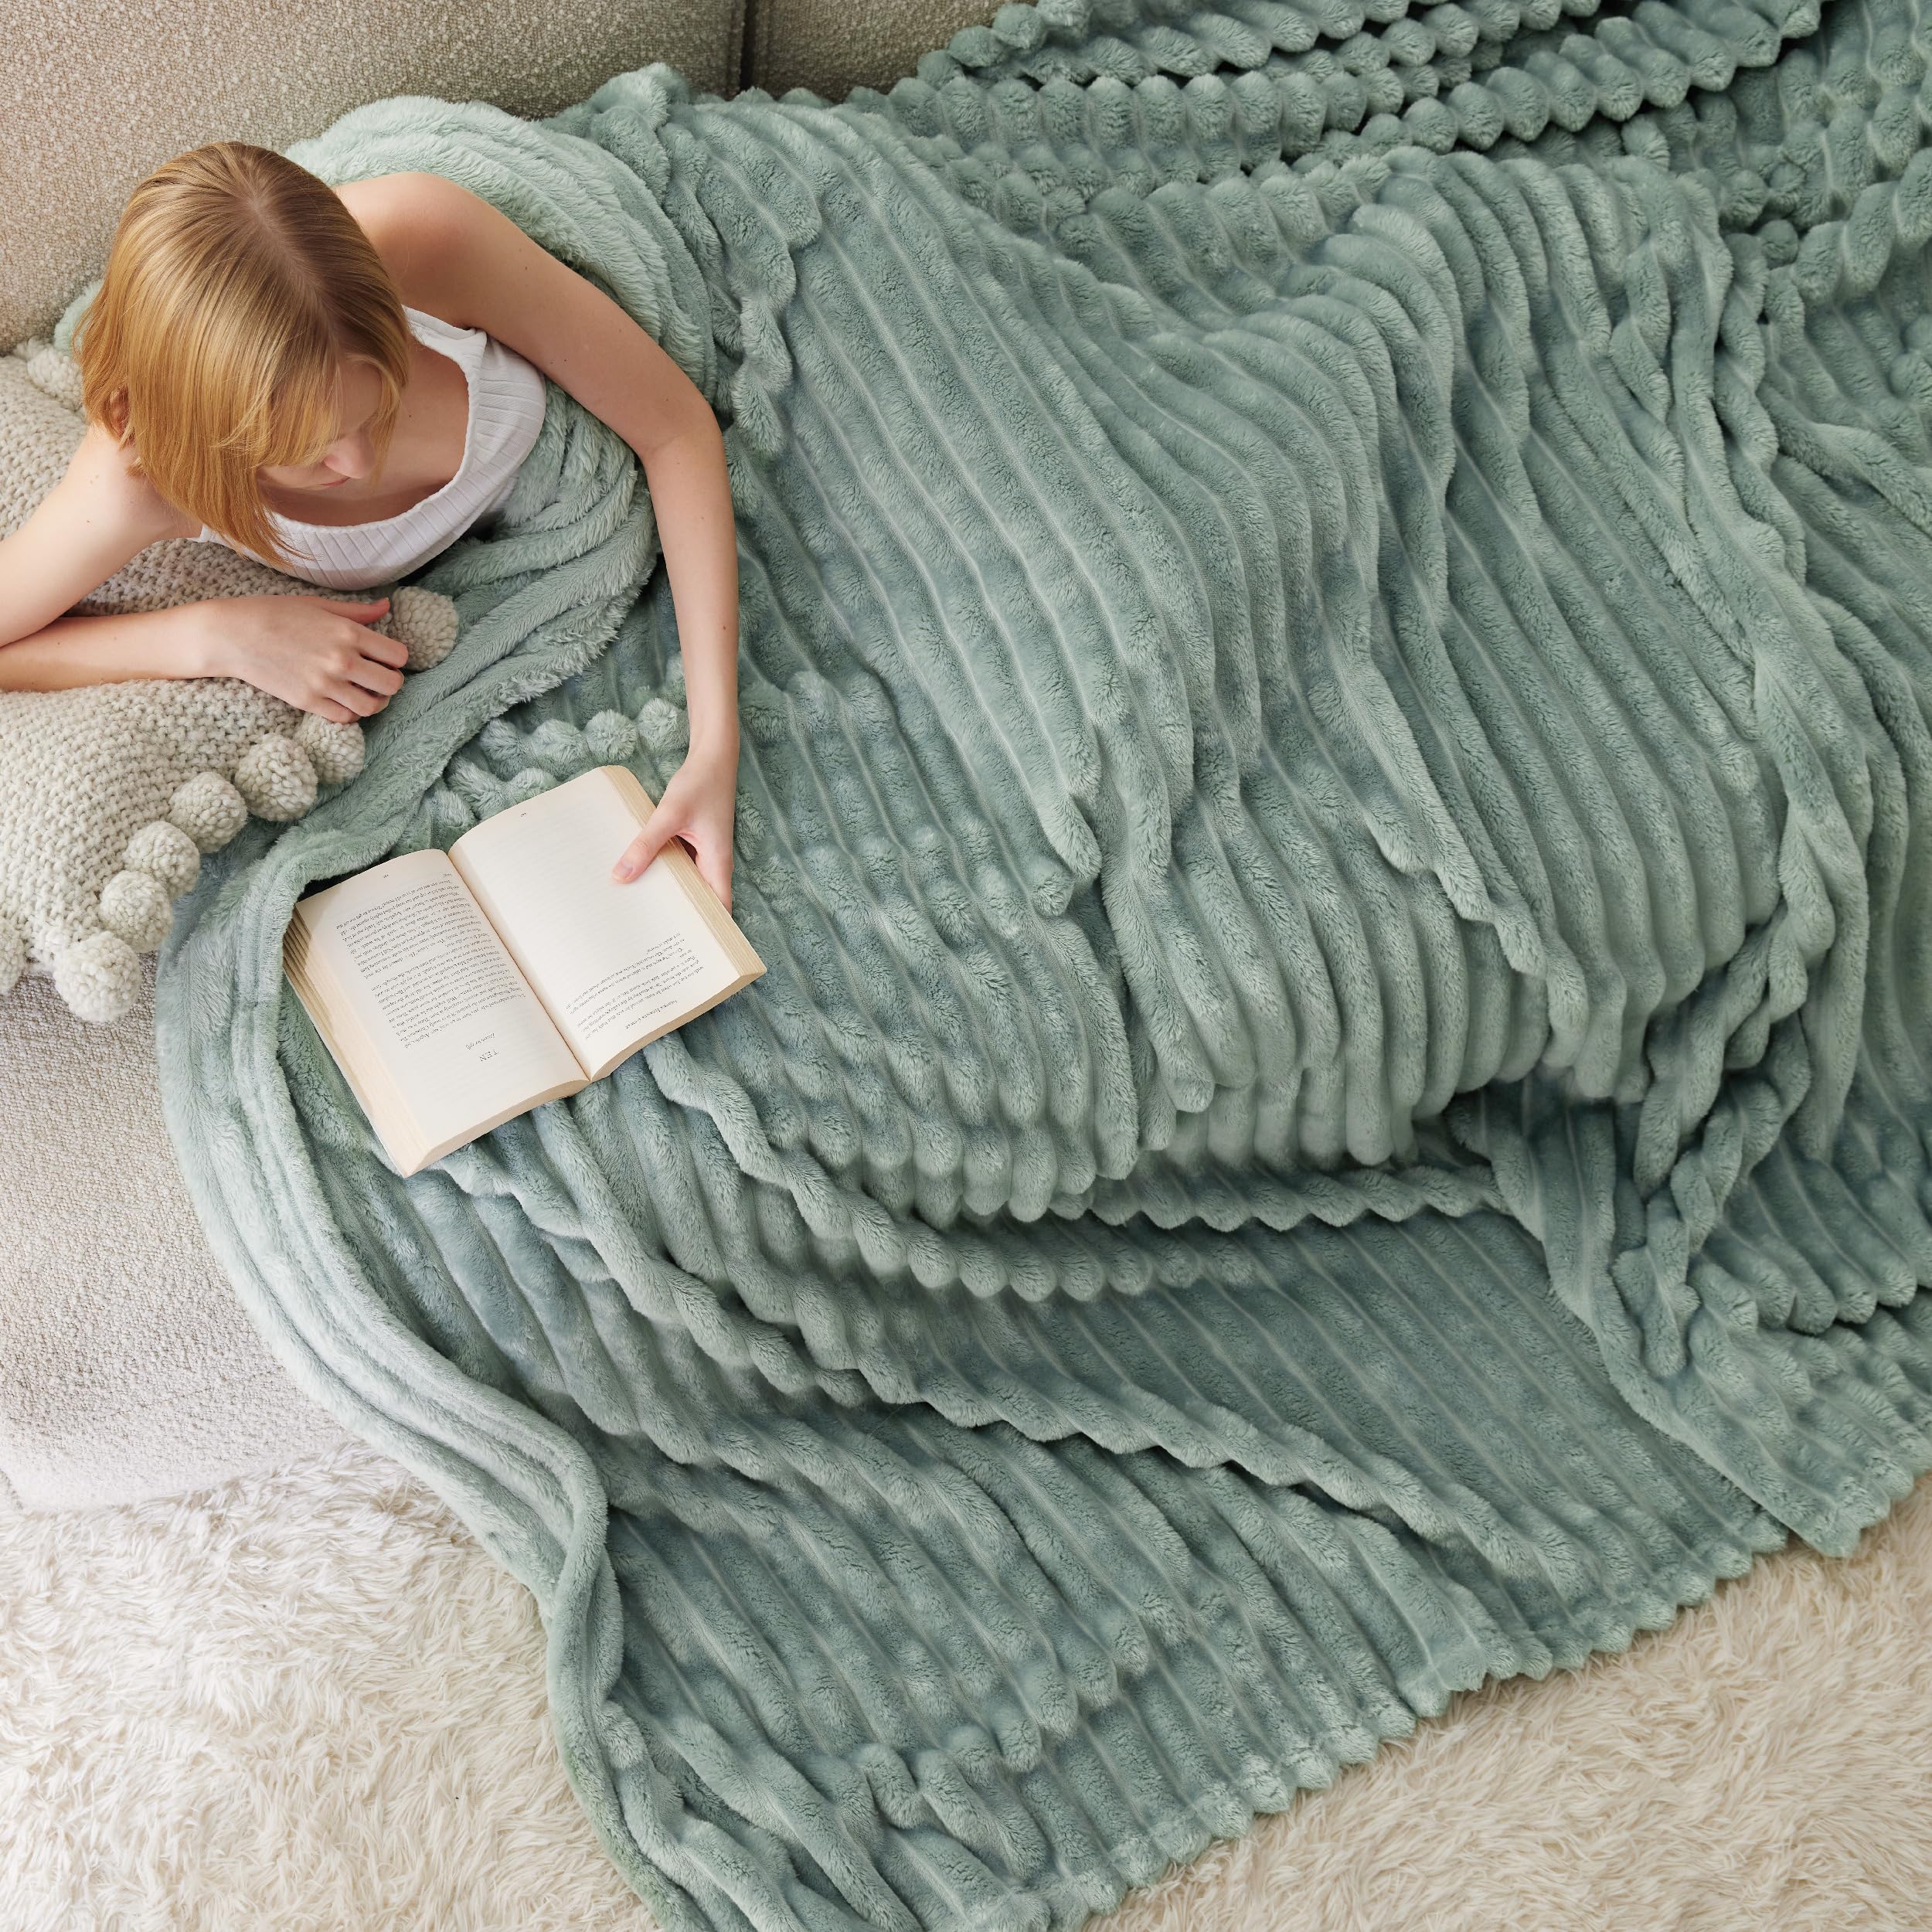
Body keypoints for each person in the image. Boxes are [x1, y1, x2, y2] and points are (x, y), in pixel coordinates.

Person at [0, 141, 740, 905]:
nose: (355, 461)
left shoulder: (431, 239)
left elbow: (676, 428)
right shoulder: (139, 478)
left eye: (376, 402)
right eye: (305, 451)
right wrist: (210, 635)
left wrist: (715, 745)